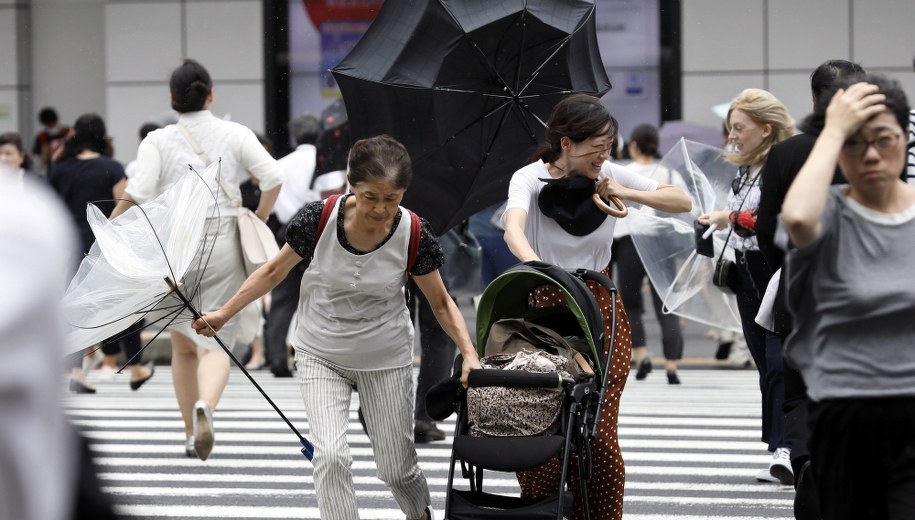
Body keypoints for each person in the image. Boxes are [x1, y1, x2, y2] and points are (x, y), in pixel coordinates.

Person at [191, 134, 481, 520]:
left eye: (391, 199)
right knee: (329, 456)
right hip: (320, 351)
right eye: (370, 196)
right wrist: (224, 313)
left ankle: (419, 514)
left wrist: (470, 354)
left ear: (403, 193)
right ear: (351, 185)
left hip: (385, 356)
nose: (380, 209)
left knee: (397, 468)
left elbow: (442, 303)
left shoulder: (414, 233)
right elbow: (275, 270)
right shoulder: (318, 219)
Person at [502, 93, 691, 520]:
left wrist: (621, 188)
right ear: (566, 143)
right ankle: (544, 509)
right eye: (596, 145)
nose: (604, 153)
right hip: (543, 310)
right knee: (542, 423)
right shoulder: (528, 178)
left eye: (609, 145)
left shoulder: (608, 173)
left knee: (600, 434)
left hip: (599, 307)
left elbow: (681, 201)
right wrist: (539, 267)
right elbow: (513, 230)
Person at [109, 59, 284, 461]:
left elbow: (137, 192)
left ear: (172, 99)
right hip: (222, 240)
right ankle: (208, 404)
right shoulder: (235, 133)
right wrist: (259, 216)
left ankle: (190, 431)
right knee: (215, 340)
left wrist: (110, 233)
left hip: (173, 246)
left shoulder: (157, 140)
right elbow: (273, 177)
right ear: (211, 94)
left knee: (183, 346)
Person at [781, 74, 915, 520]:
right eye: (855, 144)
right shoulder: (829, 212)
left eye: (885, 139)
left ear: (905, 138)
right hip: (845, 413)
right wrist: (833, 128)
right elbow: (797, 218)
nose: (872, 155)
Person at [755, 59, 863, 519]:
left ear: (814, 99)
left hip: (802, 292)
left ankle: (806, 462)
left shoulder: (786, 154)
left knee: (800, 392)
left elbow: (766, 232)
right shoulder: (875, 151)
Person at [697, 88, 795, 484]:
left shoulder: (783, 165)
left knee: (779, 362)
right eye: (730, 128)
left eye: (739, 128)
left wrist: (731, 216)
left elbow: (777, 215)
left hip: (776, 268)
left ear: (766, 129)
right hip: (744, 270)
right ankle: (781, 445)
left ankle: (790, 448)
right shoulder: (744, 168)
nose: (731, 135)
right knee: (762, 362)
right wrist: (716, 221)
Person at [48, 113, 155, 393]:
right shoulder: (111, 167)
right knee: (122, 305)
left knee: (74, 307)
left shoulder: (59, 169)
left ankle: (76, 372)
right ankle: (135, 368)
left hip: (68, 243)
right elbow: (125, 206)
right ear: (102, 136)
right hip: (104, 244)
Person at [612, 124, 685, 384]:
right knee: (666, 304)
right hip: (660, 243)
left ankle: (641, 354)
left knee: (631, 304)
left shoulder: (624, 173)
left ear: (633, 145)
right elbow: (687, 206)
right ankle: (672, 364)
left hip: (629, 242)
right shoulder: (668, 173)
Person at [263, 112, 323, 377]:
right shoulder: (326, 163)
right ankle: (318, 357)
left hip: (287, 229)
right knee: (322, 297)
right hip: (321, 230)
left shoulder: (281, 165)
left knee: (283, 297)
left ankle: (276, 357)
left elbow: (273, 198)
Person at [31, 106, 71, 173]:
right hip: (51, 170)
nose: (51, 127)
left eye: (52, 124)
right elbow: (39, 160)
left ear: (56, 120)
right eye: (48, 125)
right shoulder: (41, 137)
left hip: (69, 167)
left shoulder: (68, 133)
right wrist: (45, 153)